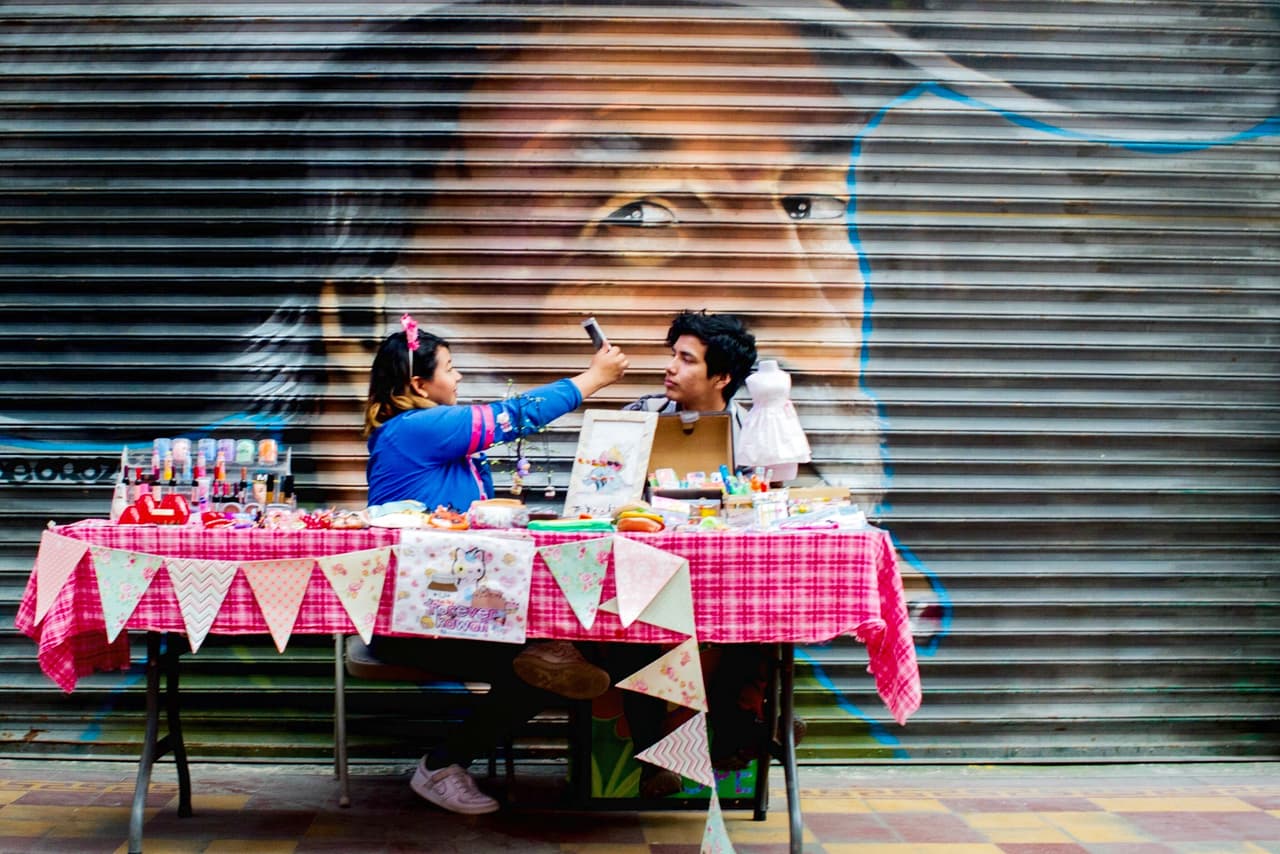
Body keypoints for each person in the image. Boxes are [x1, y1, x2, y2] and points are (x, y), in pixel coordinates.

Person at [363, 314, 628, 814]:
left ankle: (449, 762)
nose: (459, 376)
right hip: (413, 621)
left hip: (452, 608)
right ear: (418, 384)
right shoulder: (415, 428)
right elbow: (514, 415)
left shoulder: (429, 435)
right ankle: (441, 766)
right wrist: (593, 378)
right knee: (540, 669)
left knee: (561, 658)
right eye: (450, 367)